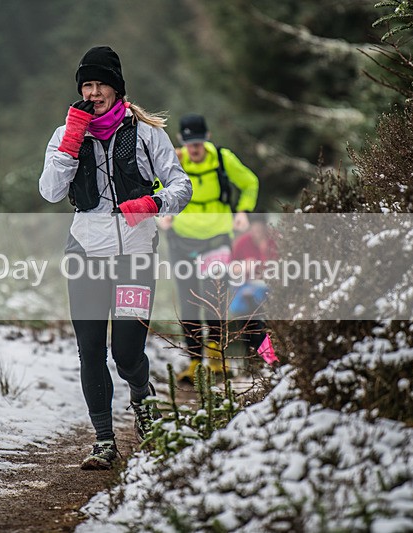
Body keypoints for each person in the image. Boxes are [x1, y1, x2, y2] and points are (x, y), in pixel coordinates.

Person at [39, 46, 192, 470]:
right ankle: (104, 440)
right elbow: (50, 191)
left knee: (126, 353)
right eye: (86, 86)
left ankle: (143, 400)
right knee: (90, 351)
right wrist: (70, 142)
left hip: (135, 257)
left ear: (116, 88)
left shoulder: (146, 134)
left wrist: (153, 204)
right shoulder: (66, 133)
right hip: (86, 252)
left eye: (99, 84)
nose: (92, 93)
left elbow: (182, 186)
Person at [157, 113, 260, 384]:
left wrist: (243, 211)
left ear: (208, 138)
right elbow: (156, 184)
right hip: (182, 239)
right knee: (189, 299)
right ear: (182, 141)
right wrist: (162, 210)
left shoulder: (224, 159)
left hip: (217, 238)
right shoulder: (175, 161)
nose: (195, 148)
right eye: (190, 142)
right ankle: (193, 362)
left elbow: (250, 183)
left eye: (199, 142)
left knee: (214, 296)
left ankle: (216, 359)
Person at [229, 212, 278, 352]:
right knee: (245, 315)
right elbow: (232, 269)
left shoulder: (274, 241)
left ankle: (267, 356)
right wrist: (244, 266)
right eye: (254, 229)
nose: (257, 233)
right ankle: (252, 356)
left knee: (261, 320)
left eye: (261, 229)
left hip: (267, 288)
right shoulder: (242, 243)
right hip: (246, 287)